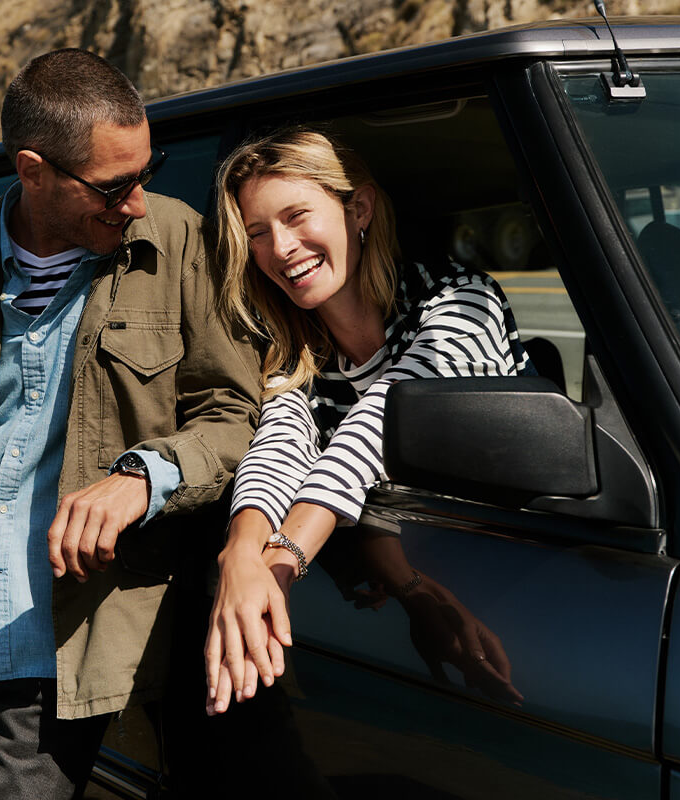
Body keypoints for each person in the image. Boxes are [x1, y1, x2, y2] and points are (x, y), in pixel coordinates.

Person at [0, 48, 260, 799]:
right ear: (32, 170)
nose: (136, 200)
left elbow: (236, 414)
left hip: (58, 636)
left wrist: (145, 477)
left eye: (147, 170)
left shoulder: (180, 245)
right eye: (114, 185)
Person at [203, 127, 533, 716]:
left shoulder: (462, 303)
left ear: (359, 208)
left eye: (298, 216)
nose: (281, 248)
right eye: (258, 233)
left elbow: (372, 430)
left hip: (525, 573)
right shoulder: (294, 348)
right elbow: (279, 445)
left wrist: (276, 570)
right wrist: (239, 553)